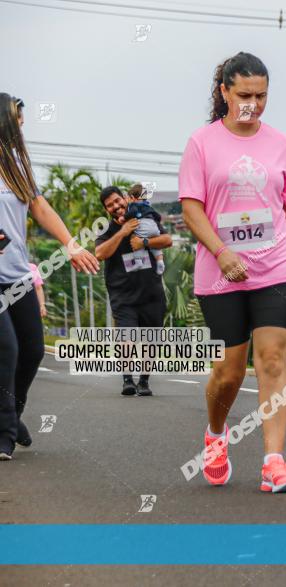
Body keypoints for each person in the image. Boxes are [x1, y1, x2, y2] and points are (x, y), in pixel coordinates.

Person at [179, 52, 286, 493]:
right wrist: (221, 253)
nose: (252, 104)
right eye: (243, 95)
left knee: (274, 359)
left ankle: (274, 462)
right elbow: (190, 208)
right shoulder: (202, 142)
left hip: (276, 265)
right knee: (229, 370)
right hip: (220, 272)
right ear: (224, 92)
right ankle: (216, 435)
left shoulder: (281, 145)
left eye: (261, 96)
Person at [0, 93, 100, 459]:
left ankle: (13, 414)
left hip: (16, 275)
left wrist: (71, 245)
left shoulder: (16, 165)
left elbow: (39, 207)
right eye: (18, 123)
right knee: (6, 350)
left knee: (32, 349)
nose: (22, 129)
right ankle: (5, 432)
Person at [96, 186, 172, 396]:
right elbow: (100, 253)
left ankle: (144, 381)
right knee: (126, 338)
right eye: (110, 205)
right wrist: (123, 232)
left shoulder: (144, 218)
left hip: (151, 292)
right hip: (123, 295)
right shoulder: (105, 229)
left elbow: (167, 240)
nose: (116, 206)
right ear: (106, 209)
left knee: (150, 340)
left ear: (125, 199)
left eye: (118, 201)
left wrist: (144, 241)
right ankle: (127, 379)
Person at [125, 183, 165, 275]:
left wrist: (125, 217)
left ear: (132, 197)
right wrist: (156, 222)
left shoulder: (133, 205)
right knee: (155, 245)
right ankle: (160, 261)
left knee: (135, 238)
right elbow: (157, 216)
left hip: (143, 226)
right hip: (154, 226)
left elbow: (133, 212)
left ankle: (138, 261)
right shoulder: (148, 205)